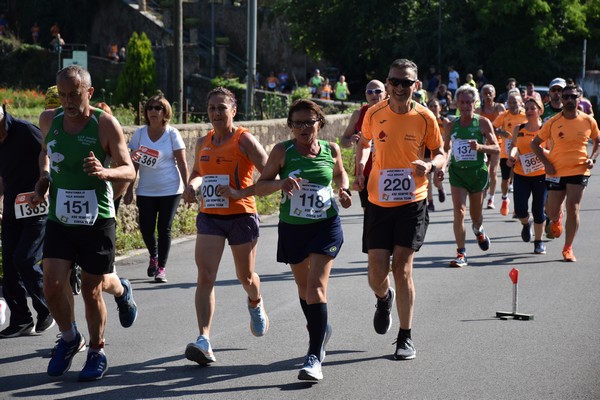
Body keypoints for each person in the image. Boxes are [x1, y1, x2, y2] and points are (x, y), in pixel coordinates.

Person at [31, 65, 138, 381]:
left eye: (74, 95)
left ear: (89, 93)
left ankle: (97, 349)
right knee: (50, 284)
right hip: (61, 217)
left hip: (97, 218)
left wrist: (106, 172)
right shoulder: (49, 120)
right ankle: (69, 338)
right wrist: (44, 178)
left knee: (91, 290)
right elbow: (45, 153)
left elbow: (129, 169)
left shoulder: (104, 124)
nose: (67, 101)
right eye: (62, 95)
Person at [355, 59, 445, 360]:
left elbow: (441, 152)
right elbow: (365, 141)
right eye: (395, 81)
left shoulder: (425, 117)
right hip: (378, 201)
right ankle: (383, 298)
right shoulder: (373, 112)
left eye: (406, 82)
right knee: (376, 271)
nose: (399, 87)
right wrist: (360, 166)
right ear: (387, 82)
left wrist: (431, 165)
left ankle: (405, 336)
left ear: (416, 85)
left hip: (412, 200)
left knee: (402, 268)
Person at [256, 99, 352, 381]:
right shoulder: (281, 151)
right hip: (294, 227)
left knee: (315, 289)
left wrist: (344, 190)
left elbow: (339, 173)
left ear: (319, 123)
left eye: (309, 122)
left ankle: (313, 357)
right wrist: (279, 184)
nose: (303, 128)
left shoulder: (330, 149)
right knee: (303, 288)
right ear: (290, 126)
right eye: (296, 123)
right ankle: (321, 328)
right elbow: (261, 186)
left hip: (325, 225)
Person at [183, 87, 269, 366]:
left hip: (241, 216)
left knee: (245, 277)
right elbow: (198, 172)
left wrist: (241, 193)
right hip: (210, 215)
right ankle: (204, 339)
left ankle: (255, 301)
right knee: (205, 275)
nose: (217, 113)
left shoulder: (244, 140)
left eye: (222, 108)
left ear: (233, 111)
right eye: (212, 108)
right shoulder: (203, 142)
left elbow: (269, 174)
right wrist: (192, 186)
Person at [0, 105, 54, 339]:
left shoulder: (25, 131)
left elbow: (48, 155)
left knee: (25, 259)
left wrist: (46, 185)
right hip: (13, 206)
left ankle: (48, 310)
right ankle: (21, 319)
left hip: (36, 205)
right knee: (9, 265)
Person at [530, 84, 599, 262]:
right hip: (556, 169)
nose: (569, 100)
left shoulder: (588, 120)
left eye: (573, 97)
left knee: (573, 207)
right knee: (551, 211)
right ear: (561, 99)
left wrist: (592, 158)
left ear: (579, 98)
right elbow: (534, 144)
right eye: (566, 97)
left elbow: (598, 140)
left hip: (579, 169)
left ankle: (568, 248)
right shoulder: (552, 122)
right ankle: (556, 218)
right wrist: (547, 164)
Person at [124, 95, 188, 283]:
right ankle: (154, 255)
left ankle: (161, 268)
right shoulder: (140, 134)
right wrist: (129, 189)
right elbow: (132, 165)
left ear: (165, 112)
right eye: (150, 107)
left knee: (164, 228)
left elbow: (182, 163)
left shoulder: (172, 134)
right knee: (145, 228)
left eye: (158, 108)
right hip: (146, 190)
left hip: (170, 189)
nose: (153, 111)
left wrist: (188, 187)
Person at [444, 84, 499, 267]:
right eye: (462, 102)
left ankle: (478, 229)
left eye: (469, 102)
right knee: (459, 212)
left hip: (477, 174)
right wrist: (441, 168)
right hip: (458, 174)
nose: (466, 106)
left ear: (475, 103)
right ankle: (461, 253)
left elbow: (496, 148)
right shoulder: (451, 125)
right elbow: (445, 151)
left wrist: (480, 147)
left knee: (476, 216)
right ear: (457, 104)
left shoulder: (483, 122)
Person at [506, 97, 547, 254]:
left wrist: (540, 152)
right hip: (521, 174)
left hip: (541, 175)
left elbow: (552, 151)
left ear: (539, 110)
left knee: (538, 210)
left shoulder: (545, 130)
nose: (529, 111)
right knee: (520, 209)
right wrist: (511, 155)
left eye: (532, 108)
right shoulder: (519, 128)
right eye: (527, 108)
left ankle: (538, 241)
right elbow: (514, 146)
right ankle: (525, 224)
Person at [340, 80, 387, 210]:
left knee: (388, 210)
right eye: (369, 92)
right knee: (368, 211)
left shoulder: (393, 113)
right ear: (366, 95)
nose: (374, 95)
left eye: (378, 91)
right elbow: (343, 140)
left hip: (388, 169)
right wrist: (349, 141)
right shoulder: (358, 114)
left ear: (386, 94)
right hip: (364, 170)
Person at [492, 92, 527, 216]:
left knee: (518, 178)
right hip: (506, 152)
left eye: (515, 102)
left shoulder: (526, 115)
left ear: (520, 103)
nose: (512, 105)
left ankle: (518, 208)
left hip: (522, 151)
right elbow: (492, 127)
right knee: (505, 178)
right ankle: (505, 198)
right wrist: (501, 133)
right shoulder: (504, 115)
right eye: (510, 102)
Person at [476, 84, 505, 209]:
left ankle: (491, 199)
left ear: (494, 94)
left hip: (496, 144)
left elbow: (505, 124)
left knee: (493, 172)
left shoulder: (499, 108)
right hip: (483, 145)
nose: (487, 96)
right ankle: (484, 190)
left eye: (490, 93)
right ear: (481, 95)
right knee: (483, 171)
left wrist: (497, 131)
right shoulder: (478, 110)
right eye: (485, 93)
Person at [425, 98, 449, 211]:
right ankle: (430, 203)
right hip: (427, 151)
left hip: (440, 152)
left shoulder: (444, 122)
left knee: (435, 180)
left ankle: (440, 188)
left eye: (435, 106)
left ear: (440, 107)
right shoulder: (425, 121)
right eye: (431, 106)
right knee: (427, 179)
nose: (433, 108)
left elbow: (449, 140)